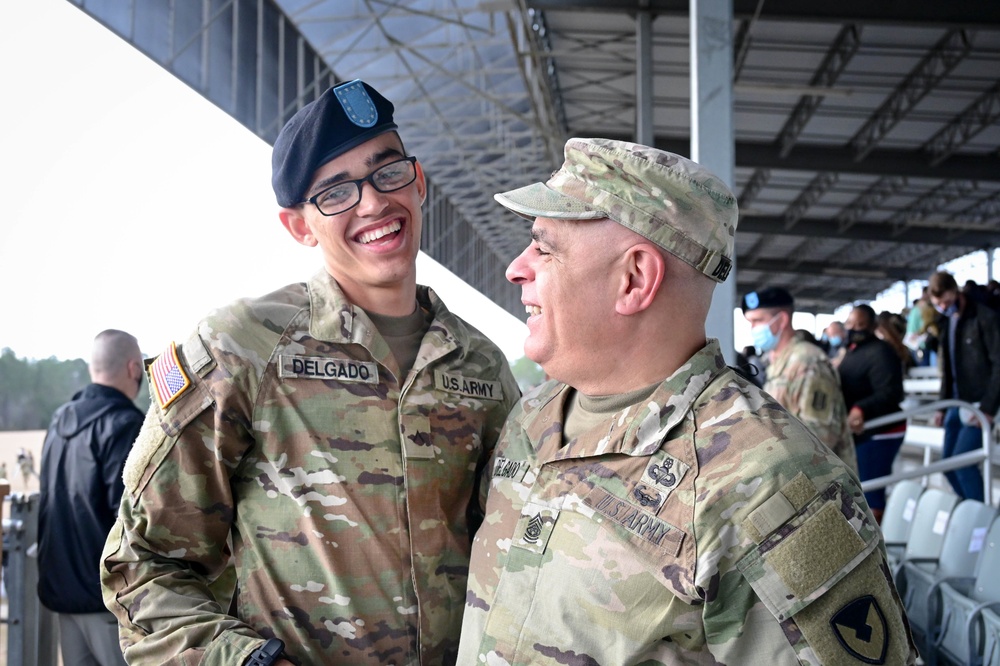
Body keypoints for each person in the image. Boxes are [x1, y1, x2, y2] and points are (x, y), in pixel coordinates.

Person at [100, 80, 519, 665]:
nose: (372, 203)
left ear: (418, 182)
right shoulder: (240, 348)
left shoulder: (480, 365)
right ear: (299, 226)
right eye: (335, 193)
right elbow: (142, 566)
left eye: (387, 172)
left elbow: (513, 552)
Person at [458, 138, 916, 665]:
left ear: (634, 279)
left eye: (544, 247)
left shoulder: (768, 483)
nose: (517, 268)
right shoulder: (532, 416)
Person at [38, 329, 145, 666]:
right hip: (108, 601)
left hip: (63, 593)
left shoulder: (58, 421)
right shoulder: (125, 424)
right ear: (133, 368)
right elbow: (132, 518)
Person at [741, 287, 857, 472]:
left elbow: (819, 437)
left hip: (822, 481)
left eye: (758, 320)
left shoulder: (808, 362)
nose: (753, 328)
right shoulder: (778, 361)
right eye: (750, 322)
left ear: (782, 320)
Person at [928, 270, 1000, 501]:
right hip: (954, 403)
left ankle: (982, 516)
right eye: (938, 304)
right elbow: (948, 370)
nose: (943, 307)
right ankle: (970, 509)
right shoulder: (948, 322)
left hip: (978, 403)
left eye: (946, 302)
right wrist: (941, 406)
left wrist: (988, 408)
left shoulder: (984, 317)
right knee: (948, 466)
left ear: (955, 291)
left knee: (962, 463)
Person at [837, 304, 906, 522]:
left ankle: (879, 542)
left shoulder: (881, 352)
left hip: (882, 430)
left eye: (860, 325)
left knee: (871, 491)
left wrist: (862, 407)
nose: (854, 329)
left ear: (872, 326)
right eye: (850, 324)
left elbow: (891, 392)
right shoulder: (851, 350)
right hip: (862, 431)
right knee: (863, 487)